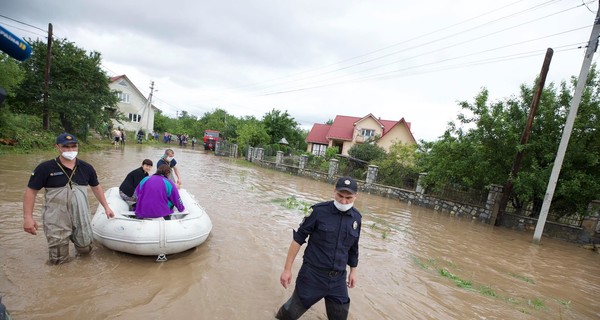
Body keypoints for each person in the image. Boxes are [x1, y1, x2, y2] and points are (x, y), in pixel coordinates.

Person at [276, 176, 362, 320]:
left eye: (349, 198)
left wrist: (353, 271)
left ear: (356, 197)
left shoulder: (356, 218)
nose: (343, 201)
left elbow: (353, 247)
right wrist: (287, 269)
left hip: (338, 279)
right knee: (289, 315)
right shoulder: (318, 211)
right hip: (312, 276)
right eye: (340, 196)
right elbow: (298, 239)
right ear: (334, 191)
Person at [22, 133, 115, 265]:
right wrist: (28, 218)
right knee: (58, 258)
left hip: (81, 215)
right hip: (56, 217)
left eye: (74, 146)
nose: (71, 150)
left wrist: (106, 207)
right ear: (58, 147)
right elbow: (30, 192)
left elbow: (96, 187)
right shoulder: (45, 168)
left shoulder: (86, 168)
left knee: (85, 249)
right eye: (66, 147)